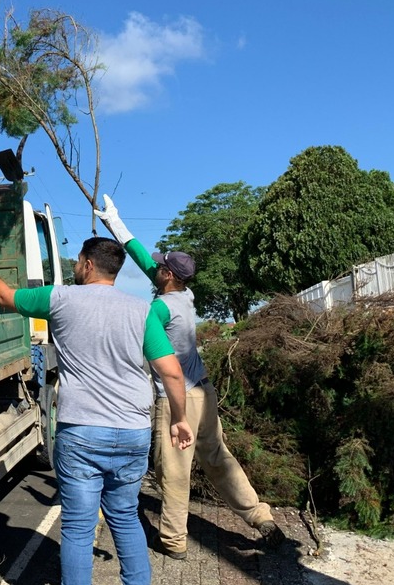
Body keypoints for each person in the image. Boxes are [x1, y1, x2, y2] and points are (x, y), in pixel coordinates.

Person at [0, 238, 193, 585]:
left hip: (82, 434)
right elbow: (171, 371)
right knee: (126, 519)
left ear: (86, 264)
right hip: (132, 432)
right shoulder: (142, 311)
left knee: (79, 530)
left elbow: (3, 295)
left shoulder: (61, 299)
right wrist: (180, 419)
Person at [94, 195, 286, 561]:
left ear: (168, 276)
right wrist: (115, 223)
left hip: (176, 400)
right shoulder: (185, 295)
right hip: (205, 393)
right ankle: (260, 517)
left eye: (162, 266)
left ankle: (173, 540)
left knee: (175, 473)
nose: (158, 267)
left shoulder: (158, 308)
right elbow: (144, 259)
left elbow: (141, 352)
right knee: (218, 458)